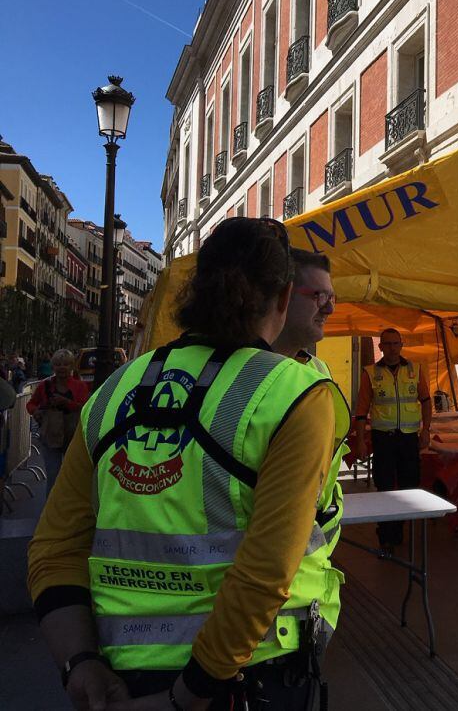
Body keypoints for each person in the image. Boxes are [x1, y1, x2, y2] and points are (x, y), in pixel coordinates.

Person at [27, 217, 349, 711]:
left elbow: (53, 548)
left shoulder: (114, 391)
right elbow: (264, 573)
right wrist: (187, 696)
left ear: (196, 291)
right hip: (245, 679)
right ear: (283, 299)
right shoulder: (297, 393)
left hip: (115, 675)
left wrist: (80, 665)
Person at [272, 248, 351, 555]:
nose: (329, 309)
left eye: (333, 298)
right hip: (268, 577)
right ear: (283, 297)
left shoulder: (318, 371)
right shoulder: (239, 375)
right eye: (319, 296)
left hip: (314, 571)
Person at [355, 328, 432, 555]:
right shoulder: (370, 373)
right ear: (380, 347)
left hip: (408, 439)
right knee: (385, 488)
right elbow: (361, 412)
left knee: (409, 487)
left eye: (395, 343)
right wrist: (360, 441)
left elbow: (426, 402)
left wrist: (426, 430)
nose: (391, 348)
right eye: (386, 344)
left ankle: (399, 531)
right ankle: (386, 537)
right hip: (383, 440)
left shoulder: (414, 370)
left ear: (401, 345)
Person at [26, 348, 89, 494]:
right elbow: (31, 404)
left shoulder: (80, 386)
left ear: (72, 366)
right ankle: (51, 512)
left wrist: (66, 402)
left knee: (73, 477)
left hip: (72, 436)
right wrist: (35, 412)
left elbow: (85, 408)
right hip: (51, 436)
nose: (62, 368)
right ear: (53, 366)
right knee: (53, 476)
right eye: (58, 364)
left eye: (66, 364)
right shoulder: (45, 386)